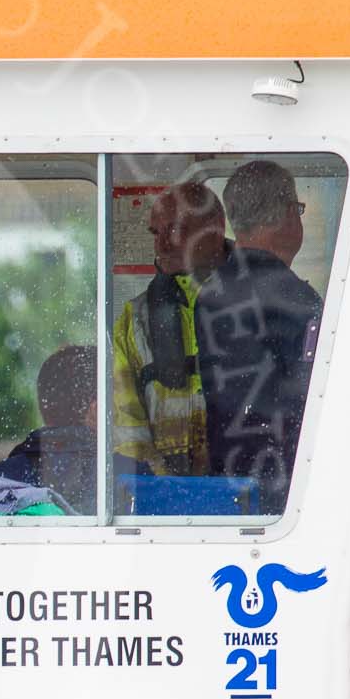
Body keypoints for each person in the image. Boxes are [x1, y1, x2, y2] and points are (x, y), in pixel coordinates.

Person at [196, 160, 323, 514]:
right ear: (285, 215)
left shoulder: (211, 293)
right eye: (296, 209)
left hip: (228, 478)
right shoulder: (295, 299)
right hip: (286, 484)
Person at [112, 182, 230, 478]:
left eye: (175, 230)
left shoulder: (256, 300)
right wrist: (165, 494)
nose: (161, 244)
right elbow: (129, 434)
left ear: (215, 229)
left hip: (248, 493)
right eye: (156, 232)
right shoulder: (133, 319)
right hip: (165, 503)